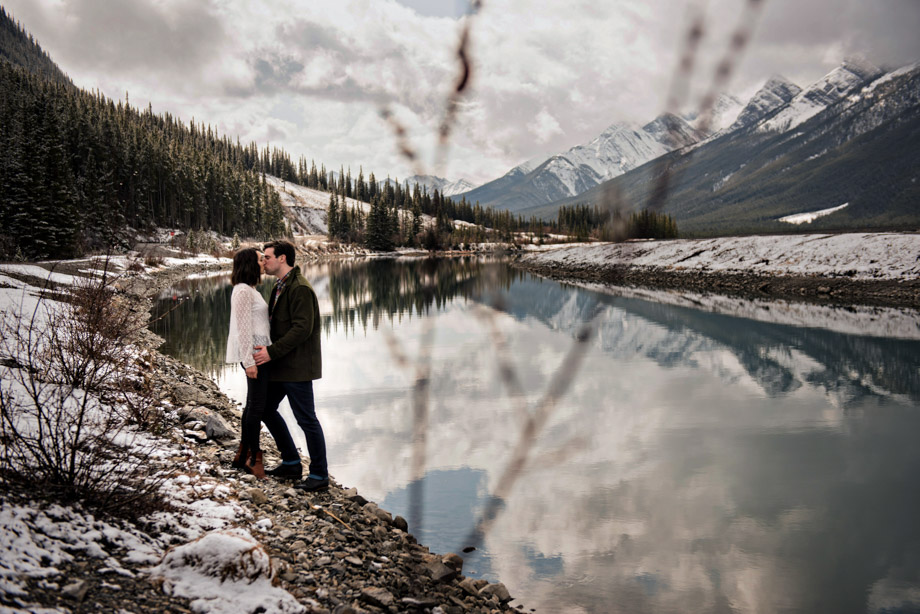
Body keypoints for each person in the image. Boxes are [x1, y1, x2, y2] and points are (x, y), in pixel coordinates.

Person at [252, 239, 328, 492]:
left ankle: (319, 475)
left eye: (268, 257)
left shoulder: (300, 288)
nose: (264, 261)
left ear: (282, 258)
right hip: (281, 365)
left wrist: (271, 352)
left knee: (306, 419)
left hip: (296, 367)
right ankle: (292, 462)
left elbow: (302, 329)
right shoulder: (280, 285)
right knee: (264, 408)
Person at [225, 247, 271, 479]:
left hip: (257, 354)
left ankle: (243, 454)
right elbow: (243, 329)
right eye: (260, 259)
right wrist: (249, 361)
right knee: (256, 407)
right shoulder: (243, 291)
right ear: (250, 264)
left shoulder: (249, 289)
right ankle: (255, 458)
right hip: (254, 356)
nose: (264, 262)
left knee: (252, 405)